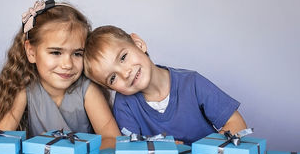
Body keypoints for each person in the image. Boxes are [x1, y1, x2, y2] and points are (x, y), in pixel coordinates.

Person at [83, 25, 247, 145]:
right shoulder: (124, 104)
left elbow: (236, 122)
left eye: (123, 57)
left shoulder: (192, 83)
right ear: (111, 88)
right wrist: (162, 150)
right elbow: (131, 151)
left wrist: (200, 151)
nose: (125, 73)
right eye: (112, 78)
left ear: (138, 44)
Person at [0, 0, 120, 141]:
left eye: (77, 54)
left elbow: (112, 139)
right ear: (31, 52)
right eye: (56, 52)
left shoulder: (87, 90)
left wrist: (74, 151)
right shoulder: (26, 89)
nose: (67, 64)